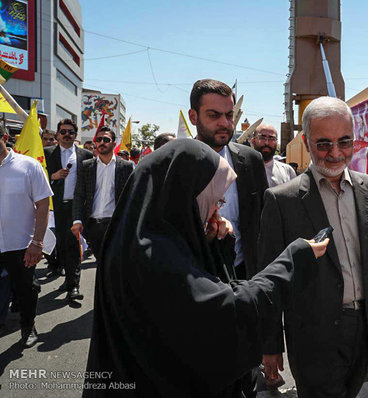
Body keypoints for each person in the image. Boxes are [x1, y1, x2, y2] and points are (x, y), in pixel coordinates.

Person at [83, 139, 328, 397]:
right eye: (215, 200)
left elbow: (200, 285)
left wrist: (214, 247)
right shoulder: (150, 256)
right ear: (186, 195)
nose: (215, 211)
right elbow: (222, 315)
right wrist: (293, 260)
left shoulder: (147, 239)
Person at [258, 96, 368, 398]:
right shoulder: (281, 201)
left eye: (344, 142)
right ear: (306, 141)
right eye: (324, 144)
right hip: (312, 336)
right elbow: (269, 282)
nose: (336, 154)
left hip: (365, 329)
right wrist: (270, 345)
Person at [189, 78, 268, 279]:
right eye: (214, 115)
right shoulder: (176, 165)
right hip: (194, 276)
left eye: (229, 115)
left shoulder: (251, 160)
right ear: (193, 116)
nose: (224, 123)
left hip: (244, 274)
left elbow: (263, 219)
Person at [0, 123, 53, 347]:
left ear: (4, 136)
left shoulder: (28, 166)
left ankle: (28, 325)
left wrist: (37, 242)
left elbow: (42, 205)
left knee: (25, 289)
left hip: (22, 243)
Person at [44, 119, 93, 301]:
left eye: (70, 132)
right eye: (63, 131)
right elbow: (36, 177)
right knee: (61, 246)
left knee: (73, 246)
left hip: (75, 207)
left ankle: (73, 285)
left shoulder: (86, 155)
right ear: (57, 135)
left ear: (75, 135)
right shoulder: (47, 153)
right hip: (53, 208)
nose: (67, 135)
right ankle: (67, 277)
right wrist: (52, 176)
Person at [71, 127, 133, 262]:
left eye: (106, 139)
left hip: (115, 223)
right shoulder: (87, 166)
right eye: (98, 139)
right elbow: (79, 194)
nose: (102, 142)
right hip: (93, 225)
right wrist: (77, 220)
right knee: (101, 262)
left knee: (115, 262)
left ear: (114, 143)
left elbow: (131, 196)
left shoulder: (126, 166)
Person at [251, 123, 296, 187]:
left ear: (277, 143)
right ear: (253, 141)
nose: (267, 143)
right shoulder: (241, 170)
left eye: (271, 138)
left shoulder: (287, 171)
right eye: (262, 138)